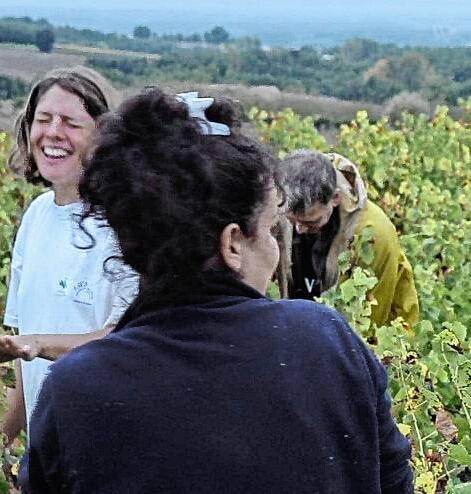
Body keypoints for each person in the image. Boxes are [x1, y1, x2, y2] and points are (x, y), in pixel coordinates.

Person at [21, 89, 413, 493]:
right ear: (232, 244)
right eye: (269, 229)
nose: (276, 248)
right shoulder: (324, 341)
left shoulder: (76, 391)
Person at [1, 66, 137, 447]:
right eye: (43, 119)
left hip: (106, 449)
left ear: (104, 137)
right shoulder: (37, 215)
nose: (53, 133)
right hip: (49, 456)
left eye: (72, 123)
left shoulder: (129, 227)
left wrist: (40, 343)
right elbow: (25, 356)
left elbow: (129, 342)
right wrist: (6, 441)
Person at [275, 149, 419, 327]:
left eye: (311, 222)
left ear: (335, 198)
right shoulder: (279, 207)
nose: (300, 229)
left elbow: (369, 322)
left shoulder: (373, 235)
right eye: (292, 221)